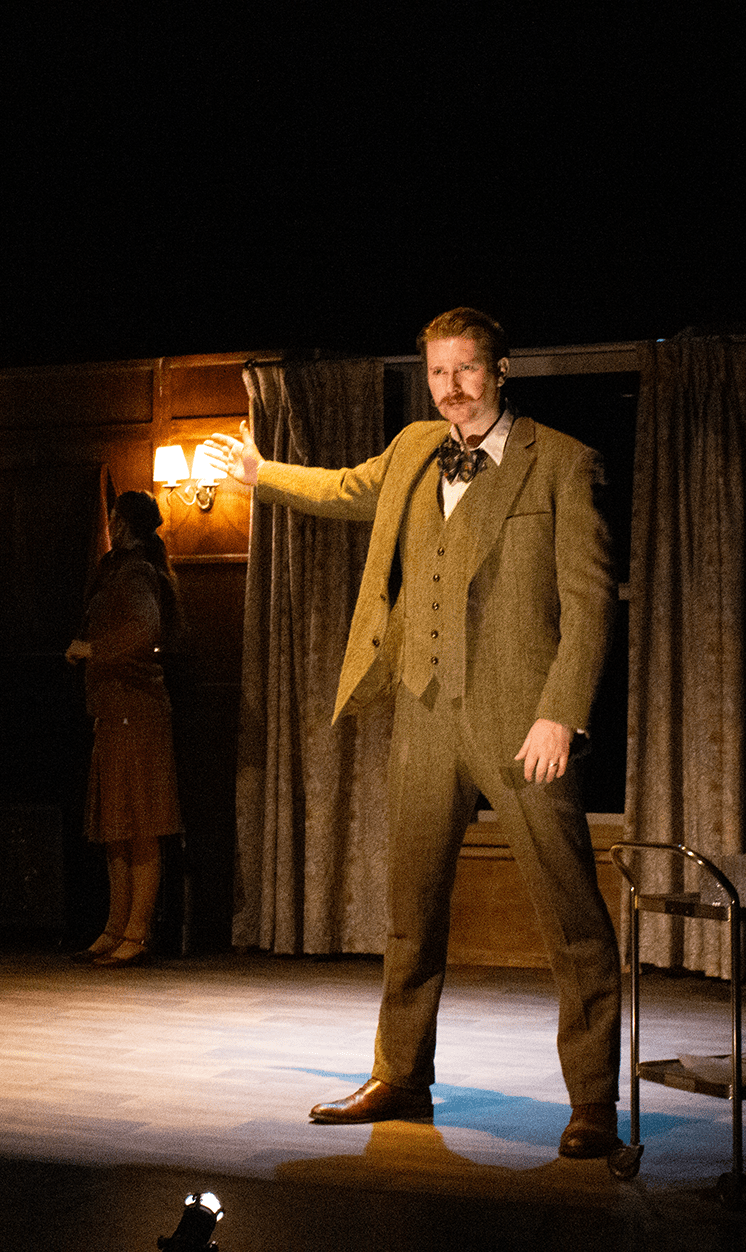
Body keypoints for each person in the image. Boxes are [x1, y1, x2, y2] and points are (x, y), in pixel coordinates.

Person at [200, 307, 622, 1157]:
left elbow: (588, 605)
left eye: (467, 370)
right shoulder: (412, 451)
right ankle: (401, 1075)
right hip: (424, 708)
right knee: (411, 909)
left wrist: (560, 711)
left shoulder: (563, 464)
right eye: (438, 373)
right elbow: (345, 488)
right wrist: (260, 471)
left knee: (569, 915)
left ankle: (591, 1102)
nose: (452, 388)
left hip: (520, 718)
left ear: (501, 371)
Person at [64, 490, 185, 969]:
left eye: (115, 518)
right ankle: (115, 928)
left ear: (125, 522)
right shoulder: (120, 567)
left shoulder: (134, 570)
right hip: (117, 711)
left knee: (139, 826)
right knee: (116, 827)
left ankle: (135, 931)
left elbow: (144, 630)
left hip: (138, 711)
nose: (109, 525)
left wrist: (92, 650)